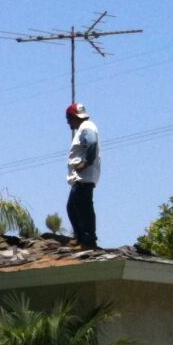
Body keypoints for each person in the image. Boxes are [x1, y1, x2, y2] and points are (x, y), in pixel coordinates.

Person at [65, 102, 101, 250]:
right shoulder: (84, 127)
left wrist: (86, 162)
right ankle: (81, 237)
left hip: (83, 177)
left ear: (74, 117)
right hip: (82, 178)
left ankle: (87, 240)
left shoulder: (87, 127)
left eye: (69, 119)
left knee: (81, 208)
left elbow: (91, 143)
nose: (68, 123)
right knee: (74, 207)